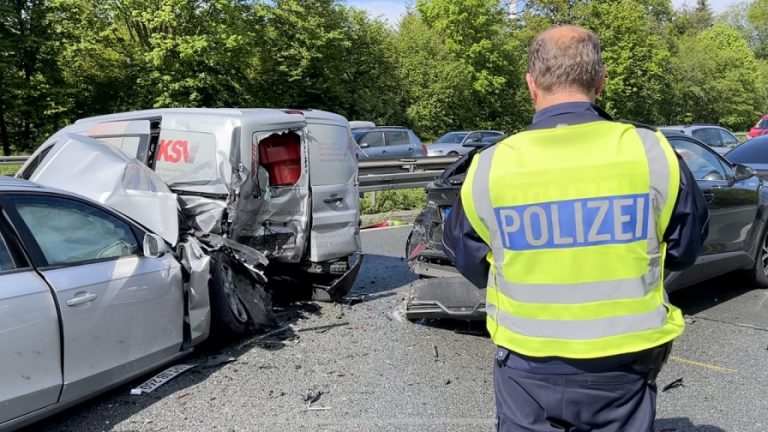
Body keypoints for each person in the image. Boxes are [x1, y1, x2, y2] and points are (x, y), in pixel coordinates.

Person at [443, 25, 709, 432]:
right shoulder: (653, 152)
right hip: (625, 363)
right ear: (600, 81)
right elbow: (684, 249)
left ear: (531, 84)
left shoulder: (490, 166)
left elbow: (469, 260)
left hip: (527, 365)